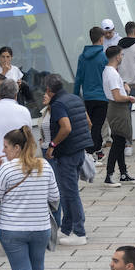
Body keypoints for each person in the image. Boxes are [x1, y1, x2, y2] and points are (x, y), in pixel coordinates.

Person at [0, 127, 59, 270]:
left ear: (17, 148)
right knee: (38, 269)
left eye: (6, 147)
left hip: (12, 229)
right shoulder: (44, 165)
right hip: (40, 227)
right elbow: (55, 197)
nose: (4, 151)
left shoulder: (7, 169)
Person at [42, 75, 92, 245]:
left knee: (70, 193)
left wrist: (52, 145)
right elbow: (88, 123)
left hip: (67, 153)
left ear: (49, 90)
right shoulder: (75, 98)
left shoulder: (58, 104)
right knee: (68, 190)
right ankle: (66, 228)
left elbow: (66, 127)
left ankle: (79, 233)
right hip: (79, 151)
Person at [100, 46, 135, 185]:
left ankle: (123, 173)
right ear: (117, 57)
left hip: (115, 109)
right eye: (121, 55)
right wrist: (129, 98)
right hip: (118, 109)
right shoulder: (112, 73)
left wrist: (124, 85)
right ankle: (109, 175)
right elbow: (117, 96)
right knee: (118, 142)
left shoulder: (109, 71)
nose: (122, 57)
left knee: (119, 141)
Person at [74, 27, 109, 163]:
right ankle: (89, 153)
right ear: (101, 39)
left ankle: (98, 151)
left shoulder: (82, 57)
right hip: (101, 96)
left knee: (94, 125)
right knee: (97, 126)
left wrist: (76, 96)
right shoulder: (104, 57)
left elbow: (78, 78)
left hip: (87, 97)